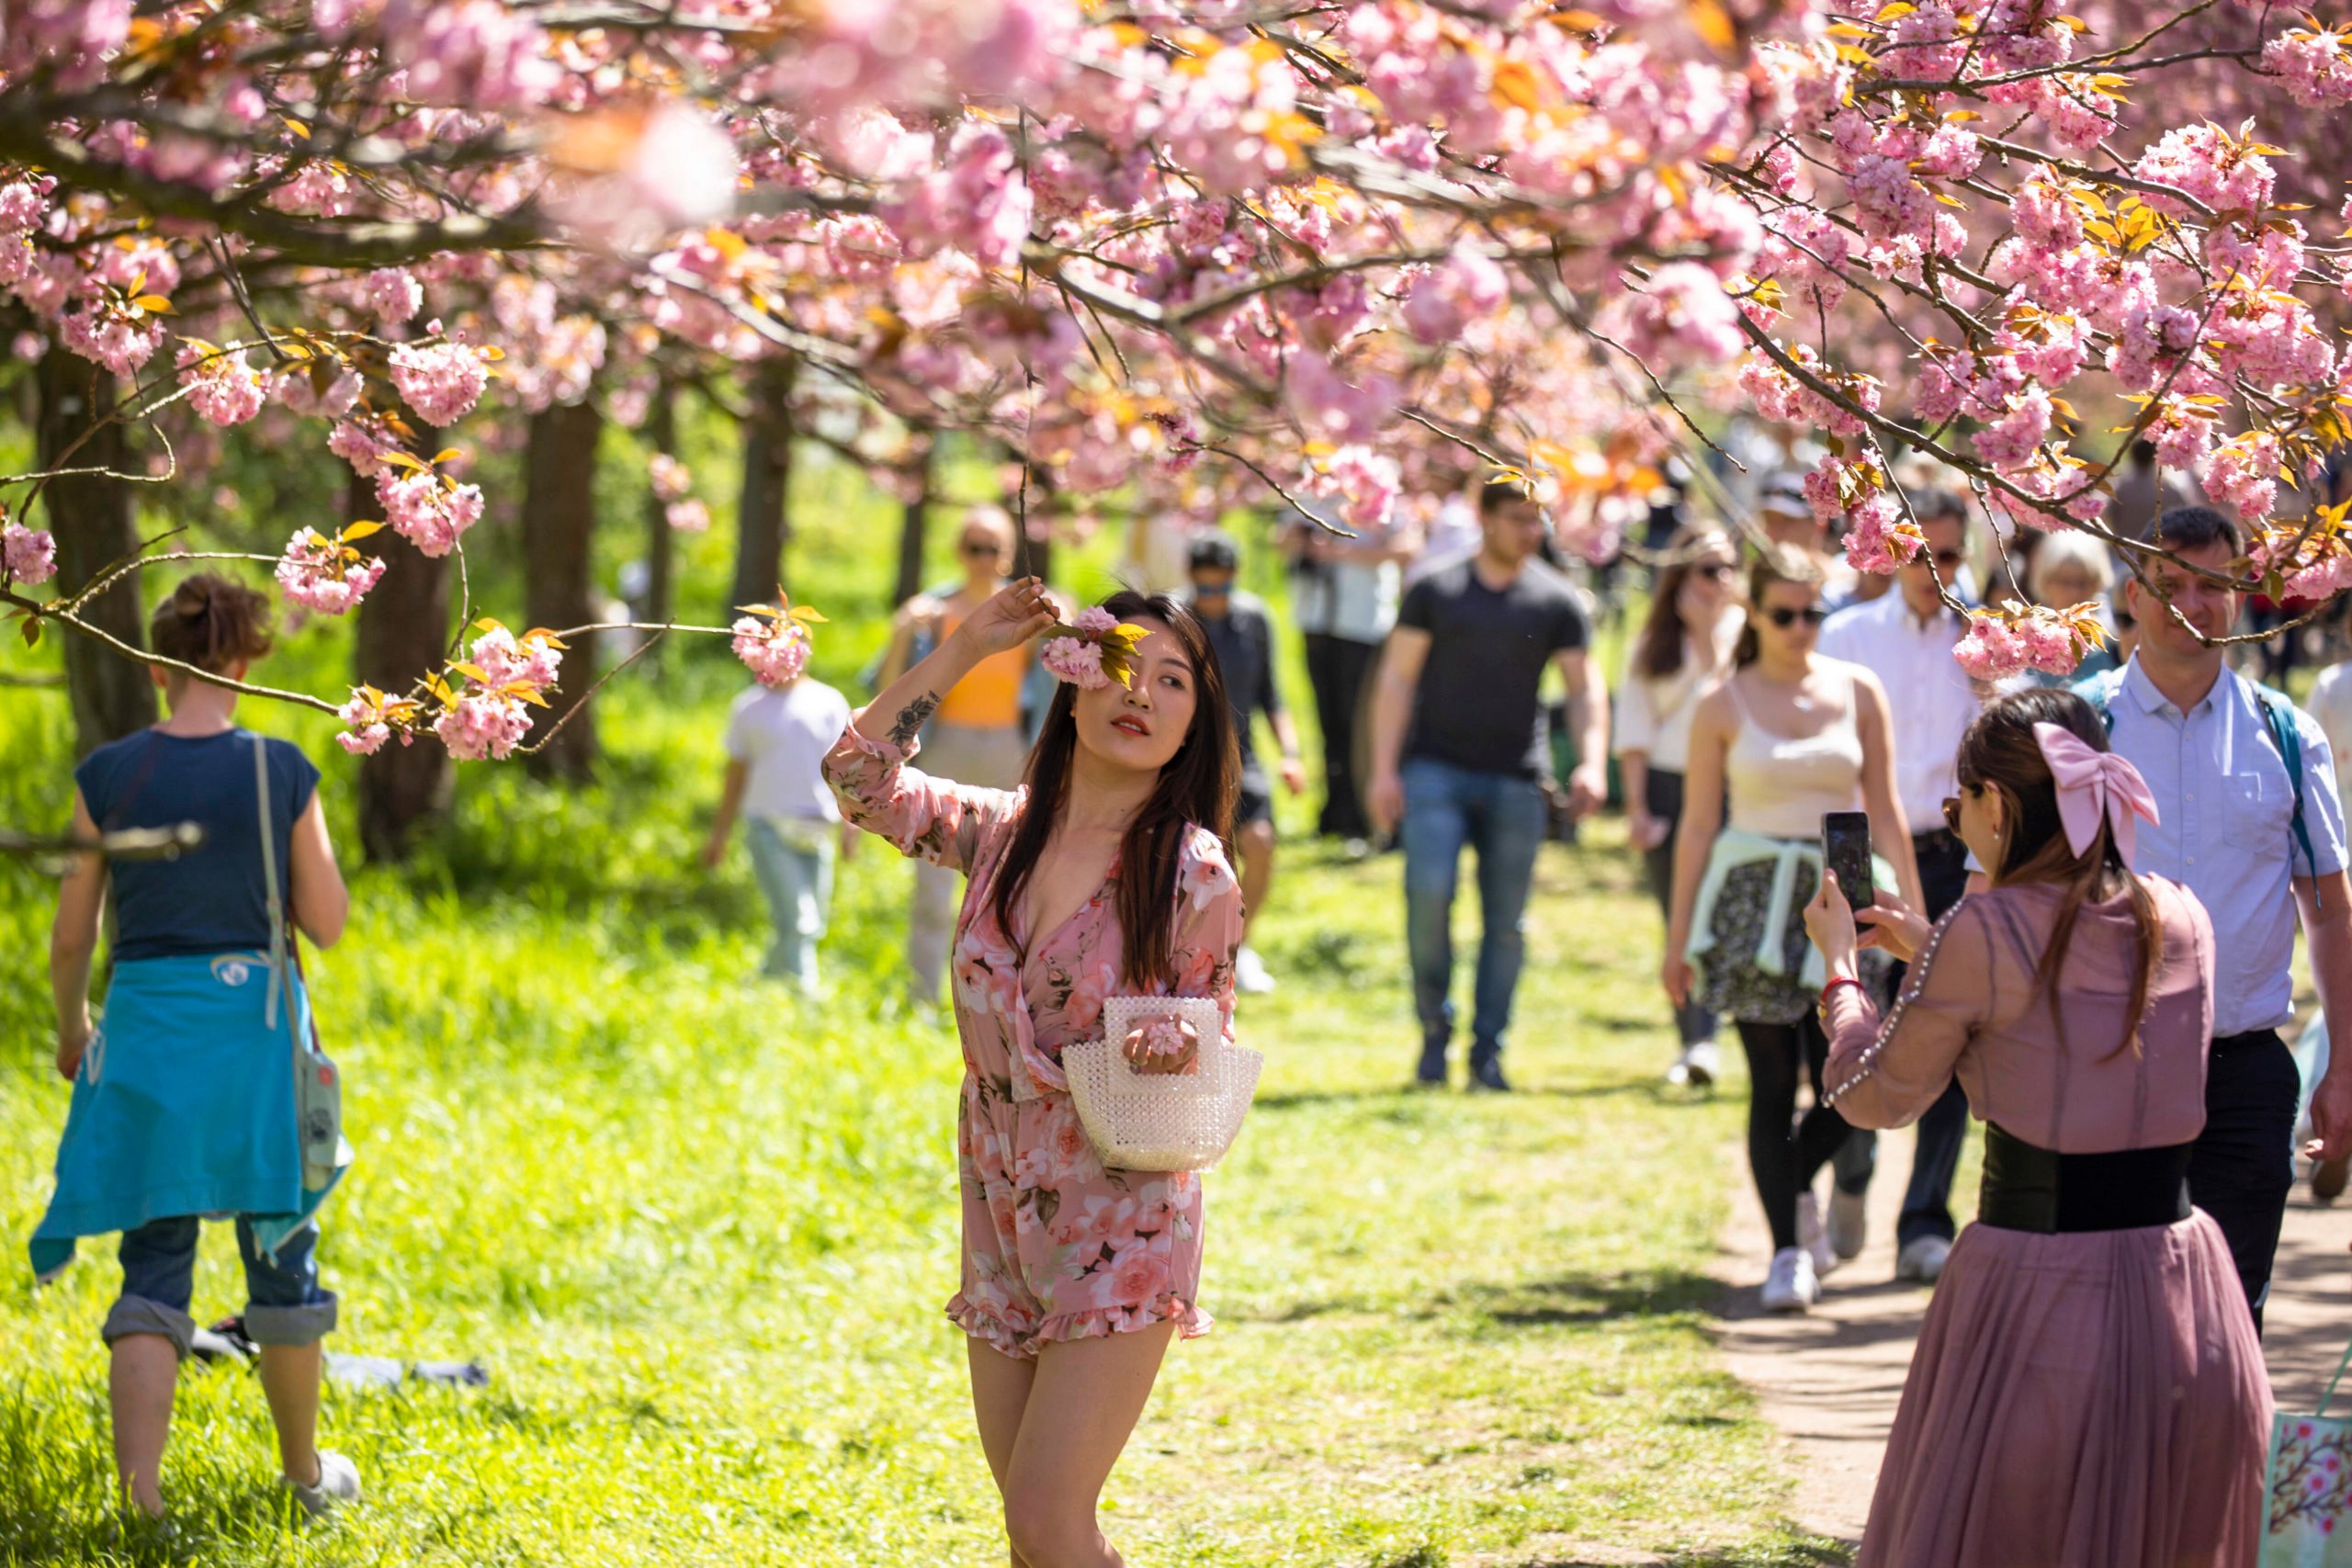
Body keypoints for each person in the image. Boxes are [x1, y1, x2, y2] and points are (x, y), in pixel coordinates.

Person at [826, 581, 1245, 1568]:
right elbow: (855, 775)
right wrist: (969, 643)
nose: (1138, 693)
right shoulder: (998, 836)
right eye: (1119, 667)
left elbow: (1199, 1056)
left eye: (1172, 681)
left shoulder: (1193, 872)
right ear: (1071, 685)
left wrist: (1152, 1050)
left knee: (1046, 1523)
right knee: (1034, 1532)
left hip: (1121, 1214)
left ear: (1196, 722)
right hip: (999, 1207)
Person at [1804, 687, 2269, 1568]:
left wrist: (1841, 975)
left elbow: (1874, 1095)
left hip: (2040, 1285)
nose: (1957, 821)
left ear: (1998, 806)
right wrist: (1935, 949)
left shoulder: (1979, 930)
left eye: (1957, 804)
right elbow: (2076, 1011)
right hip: (2185, 1285)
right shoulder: (2182, 912)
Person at [33, 574, 359, 1525]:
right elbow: (328, 922)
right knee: (281, 1253)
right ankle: (303, 1482)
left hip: (144, 1029)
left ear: (154, 664)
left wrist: (70, 1029)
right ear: (247, 661)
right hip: (254, 1042)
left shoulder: (111, 772)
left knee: (155, 1263)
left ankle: (141, 1507)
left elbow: (70, 935)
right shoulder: (277, 768)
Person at [2081, 503, 2352, 1332]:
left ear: (2242, 595)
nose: (2192, 604)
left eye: (2214, 584)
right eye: (2171, 584)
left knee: (2229, 1322)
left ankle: (2221, 1468)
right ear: (2134, 594)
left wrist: (2341, 1064)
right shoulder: (2079, 730)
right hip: (2106, 1064)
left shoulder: (2286, 730)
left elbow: (2330, 908)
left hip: (2247, 1072)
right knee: (2116, 1315)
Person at [1664, 550, 1923, 1312]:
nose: (1802, 628)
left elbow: (1887, 806)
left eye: (1814, 612)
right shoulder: (1723, 703)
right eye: (1785, 613)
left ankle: (1798, 1189)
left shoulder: (1857, 690)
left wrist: (1921, 924)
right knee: (1773, 1083)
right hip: (1750, 904)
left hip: (1839, 898)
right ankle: (1785, 1249)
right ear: (1755, 615)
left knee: (1850, 1079)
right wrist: (1677, 941)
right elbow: (1697, 825)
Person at [1366, 474, 1609, 1092]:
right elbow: (1396, 680)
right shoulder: (1434, 590)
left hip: (1517, 778)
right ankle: (1433, 1035)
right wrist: (1383, 769)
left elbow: (1584, 689)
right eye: (1520, 519)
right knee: (1428, 897)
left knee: (1506, 922)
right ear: (1487, 519)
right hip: (1433, 771)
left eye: (1539, 520)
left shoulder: (1557, 600)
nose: (1534, 532)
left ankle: (1487, 1053)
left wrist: (1591, 761)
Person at [1817, 487, 1984, 1284]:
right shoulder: (1845, 636)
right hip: (1858, 844)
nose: (1932, 572)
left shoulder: (1989, 641)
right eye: (1918, 554)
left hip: (1957, 851)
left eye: (1948, 556)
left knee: (1955, 1026)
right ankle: (1851, 1167)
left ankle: (1924, 1217)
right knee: (1864, 1012)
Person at [876, 505, 1035, 1006]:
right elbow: (888, 691)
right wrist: (904, 631)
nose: (983, 559)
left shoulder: (1028, 614)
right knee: (932, 876)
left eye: (993, 548)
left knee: (1015, 874)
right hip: (946, 746)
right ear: (959, 551)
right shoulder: (931, 613)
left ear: (1008, 555)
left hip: (1010, 748)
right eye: (975, 547)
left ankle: (1005, 996)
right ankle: (924, 995)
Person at [1616, 523, 1743, 1088]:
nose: (1721, 582)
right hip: (1670, 786)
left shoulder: (1748, 633)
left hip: (1733, 789)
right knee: (1680, 914)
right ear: (1680, 576)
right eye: (1708, 570)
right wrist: (1638, 808)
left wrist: (1712, 638)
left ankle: (1712, 1032)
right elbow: (1634, 732)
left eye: (1728, 568)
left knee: (1724, 911)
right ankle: (1695, 1038)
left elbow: (1736, 704)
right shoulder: (1653, 642)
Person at [1186, 529, 1306, 995]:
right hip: (1189, 759)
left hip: (1244, 756)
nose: (1213, 599)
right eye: (1205, 588)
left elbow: (1272, 695)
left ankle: (1241, 946)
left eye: (1222, 588)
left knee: (1260, 843)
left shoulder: (1255, 619)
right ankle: (1195, 953)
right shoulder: (1178, 618)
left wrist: (1291, 754)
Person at [703, 658, 856, 992]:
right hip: (767, 824)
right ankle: (806, 999)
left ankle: (761, 981)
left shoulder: (829, 701)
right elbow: (735, 775)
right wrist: (719, 836)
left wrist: (851, 825)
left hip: (818, 825)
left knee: (809, 922)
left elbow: (847, 769)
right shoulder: (749, 707)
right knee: (800, 921)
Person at [1281, 503, 1418, 850]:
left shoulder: (1382, 490)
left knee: (1362, 727)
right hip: (1316, 621)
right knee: (1329, 724)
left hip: (1363, 626)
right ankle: (1335, 816)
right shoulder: (1311, 493)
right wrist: (1301, 540)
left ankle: (1367, 817)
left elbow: (1407, 548)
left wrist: (1344, 552)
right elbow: (1280, 539)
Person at [2024, 528, 2119, 686]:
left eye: (2083, 582)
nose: (2074, 593)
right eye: (2065, 582)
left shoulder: (2114, 641)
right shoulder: (2029, 639)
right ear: (2046, 581)